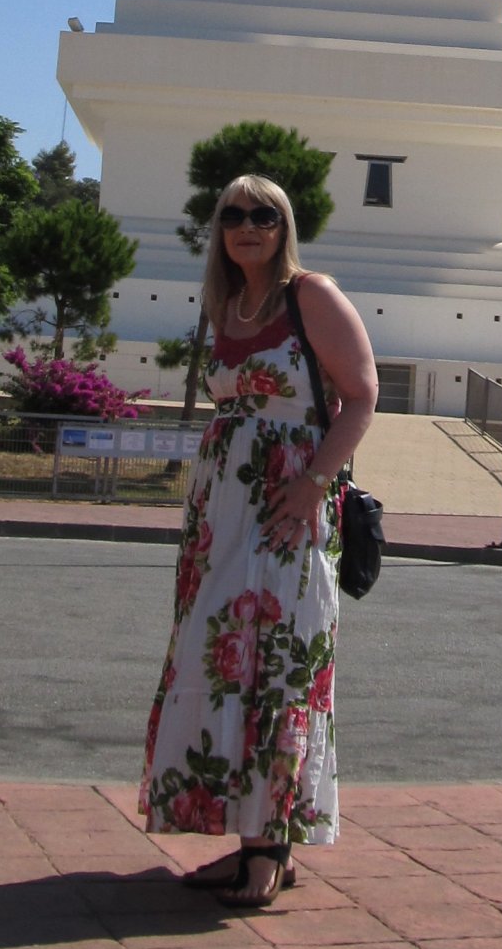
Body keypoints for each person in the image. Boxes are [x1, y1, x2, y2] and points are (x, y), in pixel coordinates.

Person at [139, 173, 378, 907]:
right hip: (221, 516)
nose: (249, 226)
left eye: (265, 215)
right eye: (234, 215)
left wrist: (312, 483)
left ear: (285, 226)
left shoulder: (312, 296)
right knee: (218, 664)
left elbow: (362, 394)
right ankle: (248, 837)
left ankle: (270, 845)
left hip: (288, 510)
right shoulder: (226, 305)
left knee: (276, 660)